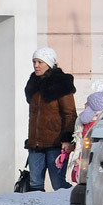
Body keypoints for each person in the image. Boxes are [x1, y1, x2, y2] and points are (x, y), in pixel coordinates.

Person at [23, 47, 76, 191]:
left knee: (58, 184)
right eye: (34, 61)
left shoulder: (61, 84)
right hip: (35, 144)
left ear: (49, 63)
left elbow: (70, 114)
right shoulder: (33, 84)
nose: (36, 65)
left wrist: (67, 139)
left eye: (40, 62)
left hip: (56, 144)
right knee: (35, 185)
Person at [60, 91, 103, 184]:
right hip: (82, 156)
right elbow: (79, 138)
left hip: (90, 157)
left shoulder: (97, 123)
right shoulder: (84, 122)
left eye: (88, 103)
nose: (85, 104)